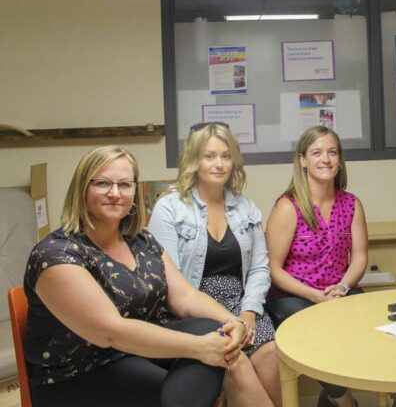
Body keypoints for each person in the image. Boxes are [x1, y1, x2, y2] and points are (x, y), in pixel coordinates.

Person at [24, 146, 248, 407]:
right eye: (102, 183)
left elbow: (186, 297)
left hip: (134, 352)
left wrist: (234, 322)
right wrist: (200, 348)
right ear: (81, 189)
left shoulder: (140, 240)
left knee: (213, 330)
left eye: (124, 184)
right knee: (197, 370)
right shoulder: (56, 254)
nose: (115, 193)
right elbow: (110, 332)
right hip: (79, 373)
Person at [148, 122, 280, 407]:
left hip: (242, 304)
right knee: (233, 361)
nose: (219, 164)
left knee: (270, 355)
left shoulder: (246, 208)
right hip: (192, 309)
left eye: (225, 156)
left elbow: (259, 269)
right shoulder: (169, 208)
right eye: (209, 156)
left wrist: (249, 312)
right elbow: (172, 285)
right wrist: (229, 322)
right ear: (194, 160)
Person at [265, 126, 368, 407]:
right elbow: (273, 269)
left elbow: (359, 258)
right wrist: (315, 296)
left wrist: (344, 286)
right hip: (293, 296)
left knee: (371, 323)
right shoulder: (288, 207)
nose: (326, 159)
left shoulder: (352, 204)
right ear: (302, 160)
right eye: (317, 152)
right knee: (316, 332)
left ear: (340, 159)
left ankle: (330, 398)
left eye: (332, 152)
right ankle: (345, 400)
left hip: (339, 292)